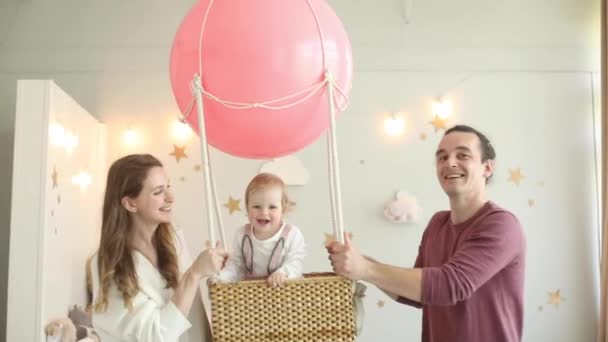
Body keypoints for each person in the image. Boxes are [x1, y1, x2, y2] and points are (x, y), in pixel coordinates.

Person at [327, 125, 526, 342]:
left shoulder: (501, 224)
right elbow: (419, 296)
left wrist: (365, 269)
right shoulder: (437, 224)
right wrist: (359, 262)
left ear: (487, 168)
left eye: (462, 155)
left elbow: (450, 285)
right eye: (442, 157)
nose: (449, 163)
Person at [89, 154, 228, 342]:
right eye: (158, 192)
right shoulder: (110, 263)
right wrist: (194, 274)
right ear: (130, 203)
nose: (171, 197)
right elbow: (155, 336)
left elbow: (194, 314)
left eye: (168, 187)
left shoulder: (174, 240)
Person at [218, 173, 306, 287]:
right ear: (247, 208)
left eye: (272, 207)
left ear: (283, 210)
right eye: (256, 207)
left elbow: (295, 262)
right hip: (251, 293)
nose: (264, 212)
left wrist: (282, 272)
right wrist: (223, 278)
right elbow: (235, 264)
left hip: (283, 290)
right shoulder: (242, 234)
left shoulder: (292, 234)